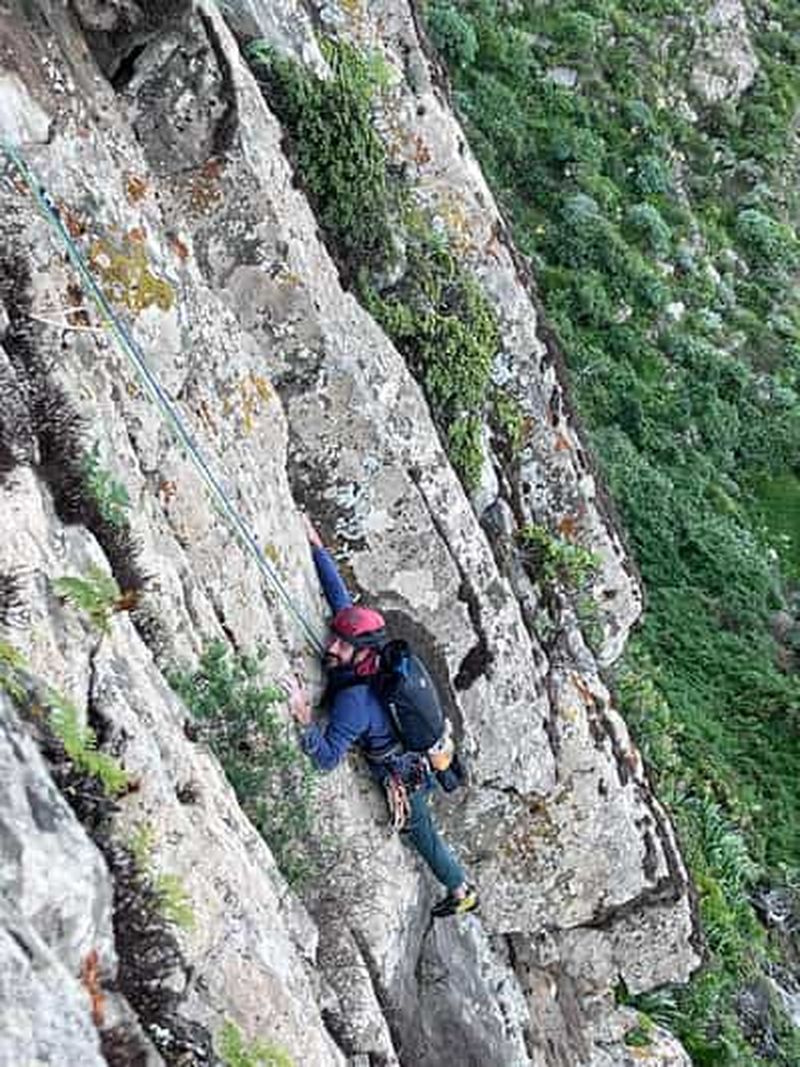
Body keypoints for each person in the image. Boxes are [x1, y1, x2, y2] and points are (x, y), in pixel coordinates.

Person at [285, 516, 479, 919]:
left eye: (342, 643)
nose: (333, 646)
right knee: (425, 831)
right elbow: (339, 597)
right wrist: (317, 547)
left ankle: (461, 889)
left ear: (362, 651)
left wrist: (305, 720)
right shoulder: (367, 650)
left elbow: (324, 759)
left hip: (405, 778)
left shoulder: (356, 701)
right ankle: (458, 884)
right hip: (413, 756)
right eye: (336, 638)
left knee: (423, 837)